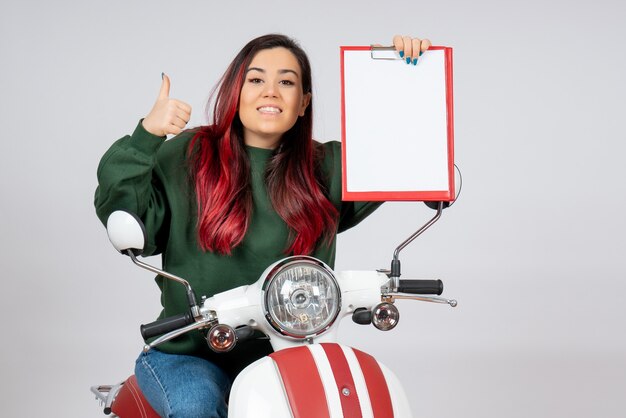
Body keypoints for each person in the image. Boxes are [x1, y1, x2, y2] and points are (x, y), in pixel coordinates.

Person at [95, 33, 431, 418]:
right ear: (235, 91)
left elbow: (411, 155)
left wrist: (411, 75)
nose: (271, 91)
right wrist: (148, 135)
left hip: (293, 353)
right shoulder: (190, 155)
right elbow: (126, 209)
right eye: (256, 80)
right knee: (197, 409)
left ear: (303, 102)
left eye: (286, 82)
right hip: (191, 353)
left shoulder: (329, 167)